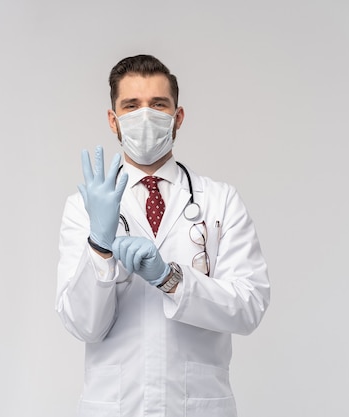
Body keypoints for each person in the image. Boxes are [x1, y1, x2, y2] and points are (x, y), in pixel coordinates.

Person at [56, 54, 270, 417]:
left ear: (177, 116)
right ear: (113, 120)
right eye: (131, 105)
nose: (145, 115)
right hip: (116, 406)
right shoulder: (82, 207)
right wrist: (100, 248)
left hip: (197, 406)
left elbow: (248, 307)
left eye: (158, 104)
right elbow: (83, 325)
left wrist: (170, 279)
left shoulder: (220, 200)